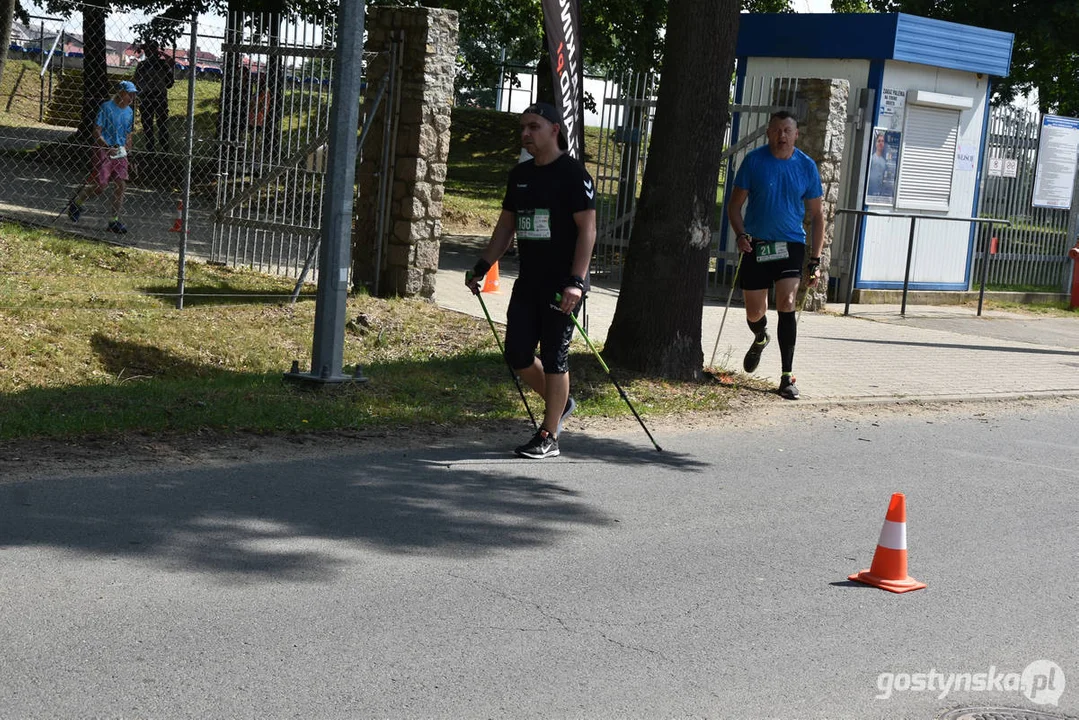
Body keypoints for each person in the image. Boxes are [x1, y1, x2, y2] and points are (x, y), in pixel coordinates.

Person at [466, 102, 597, 459]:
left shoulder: (573, 175)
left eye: (533, 126)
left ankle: (549, 434)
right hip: (529, 280)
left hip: (562, 283)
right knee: (518, 354)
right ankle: (561, 403)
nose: (525, 133)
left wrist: (576, 280)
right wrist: (482, 264)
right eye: (522, 127)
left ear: (554, 129)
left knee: (555, 356)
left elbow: (588, 231)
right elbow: (506, 226)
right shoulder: (519, 175)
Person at [726, 110, 825, 400]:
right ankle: (761, 336)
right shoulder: (754, 161)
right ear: (768, 133)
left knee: (787, 301)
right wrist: (741, 235)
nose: (782, 136)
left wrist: (815, 260)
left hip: (790, 244)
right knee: (755, 312)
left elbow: (818, 216)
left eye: (787, 131)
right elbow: (734, 206)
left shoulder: (806, 166)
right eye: (776, 130)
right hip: (757, 243)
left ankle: (786, 377)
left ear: (796, 135)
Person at [67, 80, 138, 234]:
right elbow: (97, 130)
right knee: (100, 186)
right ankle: (77, 202)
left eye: (133, 94)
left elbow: (128, 134)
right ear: (120, 93)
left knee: (121, 185)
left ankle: (114, 221)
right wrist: (106, 146)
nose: (132, 97)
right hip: (104, 150)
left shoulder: (130, 112)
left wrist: (130, 155)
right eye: (129, 93)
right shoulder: (106, 107)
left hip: (120, 152)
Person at [132, 41, 174, 153]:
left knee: (149, 125)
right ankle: (163, 150)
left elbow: (136, 81)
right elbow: (170, 83)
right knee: (161, 124)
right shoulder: (162, 65)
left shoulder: (143, 65)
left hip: (148, 97)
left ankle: (152, 149)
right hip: (158, 97)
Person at [867, 129, 887, 199]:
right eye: (879, 141)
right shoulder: (871, 159)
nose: (881, 143)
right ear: (875, 143)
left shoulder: (884, 162)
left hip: (879, 193)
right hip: (870, 191)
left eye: (882, 141)